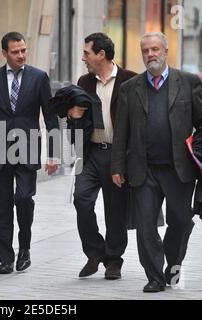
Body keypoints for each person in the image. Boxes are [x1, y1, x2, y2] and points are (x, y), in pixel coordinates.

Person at [111, 32, 202, 292]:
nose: (150, 54)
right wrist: (117, 167)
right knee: (145, 226)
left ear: (166, 51)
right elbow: (121, 131)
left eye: (155, 49)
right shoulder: (129, 88)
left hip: (179, 169)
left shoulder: (188, 83)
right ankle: (154, 277)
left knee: (181, 221)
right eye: (145, 50)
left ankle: (173, 262)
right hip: (143, 171)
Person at [0, 32, 59, 274]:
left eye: (23, 50)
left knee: (23, 199)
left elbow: (51, 117)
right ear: (5, 53)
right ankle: (5, 258)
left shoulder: (39, 77)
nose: (21, 55)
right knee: (1, 206)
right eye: (15, 51)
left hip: (28, 147)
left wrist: (54, 154)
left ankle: (25, 248)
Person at [65, 33, 136, 280]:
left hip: (118, 155)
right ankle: (95, 253)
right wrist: (72, 116)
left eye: (86, 53)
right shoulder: (83, 81)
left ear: (101, 55)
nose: (83, 57)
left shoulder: (130, 81)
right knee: (81, 200)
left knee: (115, 210)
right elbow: (74, 122)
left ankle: (114, 260)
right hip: (90, 153)